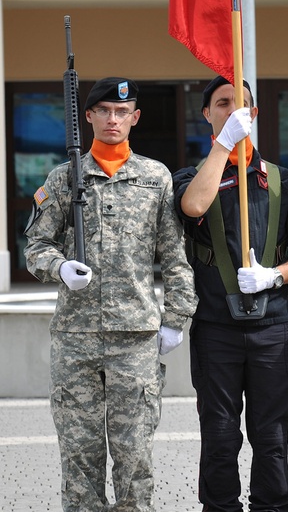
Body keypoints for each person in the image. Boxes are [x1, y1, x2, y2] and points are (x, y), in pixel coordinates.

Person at [24, 77, 198, 511]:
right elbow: (36, 247)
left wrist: (177, 318)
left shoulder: (155, 177)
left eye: (122, 112)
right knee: (79, 458)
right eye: (104, 110)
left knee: (134, 456)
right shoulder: (66, 178)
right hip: (76, 338)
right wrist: (60, 267)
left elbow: (175, 255)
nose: (113, 119)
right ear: (89, 117)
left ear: (135, 117)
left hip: (135, 338)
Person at [173, 76, 288, 510]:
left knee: (271, 436)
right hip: (216, 328)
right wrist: (224, 145)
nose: (232, 111)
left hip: (271, 327)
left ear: (254, 115)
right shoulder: (190, 177)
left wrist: (276, 275)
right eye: (222, 104)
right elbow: (193, 207)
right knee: (219, 436)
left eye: (241, 106)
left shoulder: (281, 181)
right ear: (207, 114)